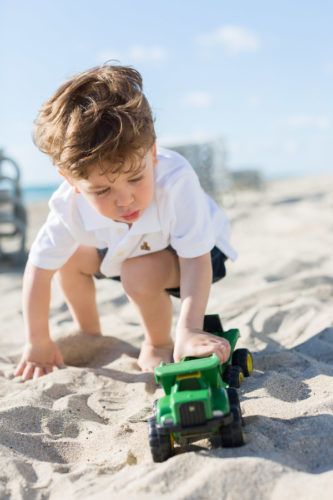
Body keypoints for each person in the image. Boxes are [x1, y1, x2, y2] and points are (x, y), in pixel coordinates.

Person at [15, 63, 237, 382]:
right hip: (127, 247)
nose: (124, 200)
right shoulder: (68, 205)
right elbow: (38, 269)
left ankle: (158, 341)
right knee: (70, 256)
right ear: (71, 180)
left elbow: (196, 257)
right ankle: (89, 333)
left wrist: (189, 329)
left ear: (153, 153)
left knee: (137, 271)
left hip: (199, 254)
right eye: (102, 190)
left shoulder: (176, 180)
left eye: (135, 178)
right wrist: (37, 340)